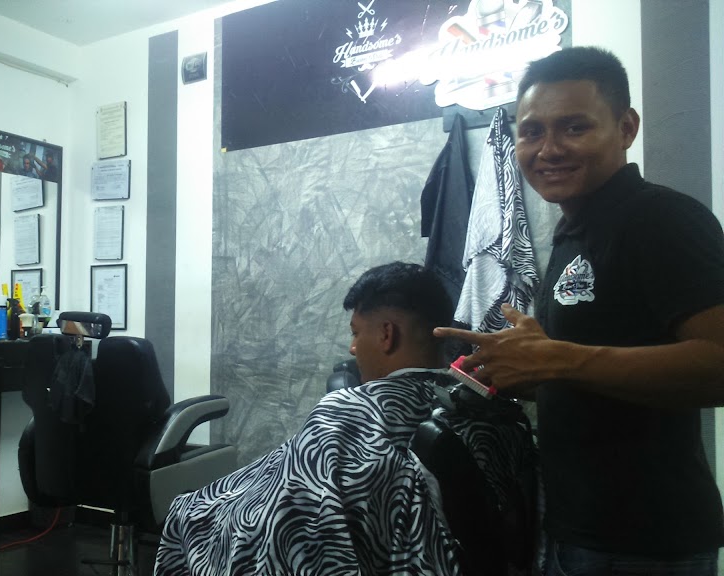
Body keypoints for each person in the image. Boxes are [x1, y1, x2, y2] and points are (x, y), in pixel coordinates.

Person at [434, 46, 724, 574]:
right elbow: (596, 368)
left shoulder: (661, 219)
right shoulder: (576, 229)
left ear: (626, 127)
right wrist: (525, 369)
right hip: (577, 527)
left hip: (643, 544)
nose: (548, 149)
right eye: (531, 131)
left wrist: (559, 360)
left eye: (574, 127)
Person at [156, 262, 536, 575]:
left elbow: (283, 524)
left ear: (386, 334)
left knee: (192, 512)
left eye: (356, 333)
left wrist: (195, 512)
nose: (353, 348)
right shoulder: (494, 412)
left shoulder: (344, 411)